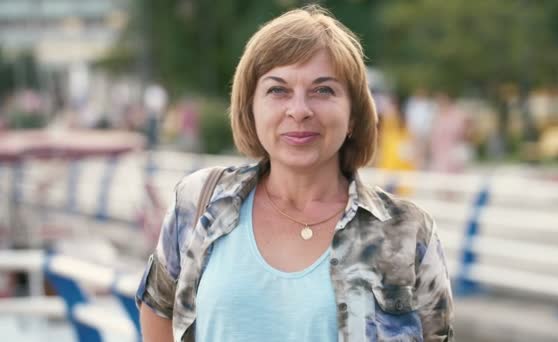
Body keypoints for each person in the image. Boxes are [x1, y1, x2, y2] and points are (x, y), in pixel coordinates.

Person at [137, 5, 454, 342]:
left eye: (323, 90)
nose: (300, 110)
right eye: (278, 90)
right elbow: (158, 305)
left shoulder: (406, 232)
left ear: (353, 115)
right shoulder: (200, 200)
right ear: (250, 107)